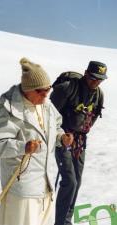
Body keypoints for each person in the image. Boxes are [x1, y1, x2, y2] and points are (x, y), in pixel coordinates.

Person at [0, 57, 74, 225]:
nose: (46, 95)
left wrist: (61, 138)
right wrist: (23, 147)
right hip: (22, 190)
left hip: (45, 185)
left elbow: (56, 126)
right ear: (28, 89)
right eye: (41, 91)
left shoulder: (46, 105)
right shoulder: (10, 109)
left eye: (48, 90)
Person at [50, 61, 107, 225]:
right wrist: (61, 135)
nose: (96, 82)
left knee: (77, 181)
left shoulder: (98, 95)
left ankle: (66, 220)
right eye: (94, 78)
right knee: (70, 181)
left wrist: (80, 133)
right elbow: (49, 116)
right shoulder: (67, 88)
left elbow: (93, 116)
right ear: (86, 73)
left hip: (80, 141)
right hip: (62, 138)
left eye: (100, 79)